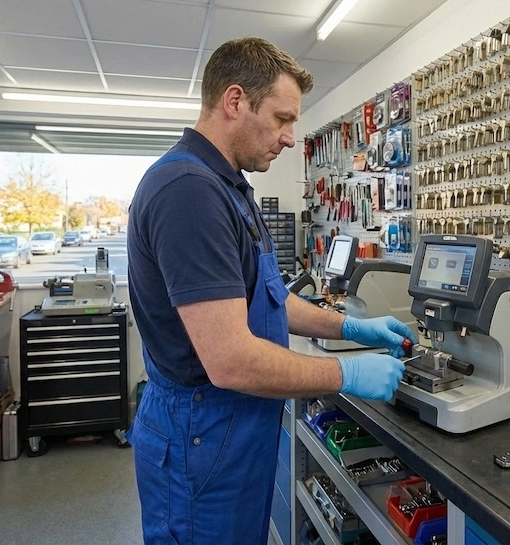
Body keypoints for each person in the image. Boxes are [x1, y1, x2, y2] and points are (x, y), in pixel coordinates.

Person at [126, 37, 416, 544]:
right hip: (202, 432)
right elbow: (231, 360)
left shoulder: (228, 186)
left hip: (229, 428)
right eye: (282, 119)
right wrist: (344, 372)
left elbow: (271, 298)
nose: (289, 138)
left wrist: (349, 326)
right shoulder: (189, 192)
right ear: (235, 101)